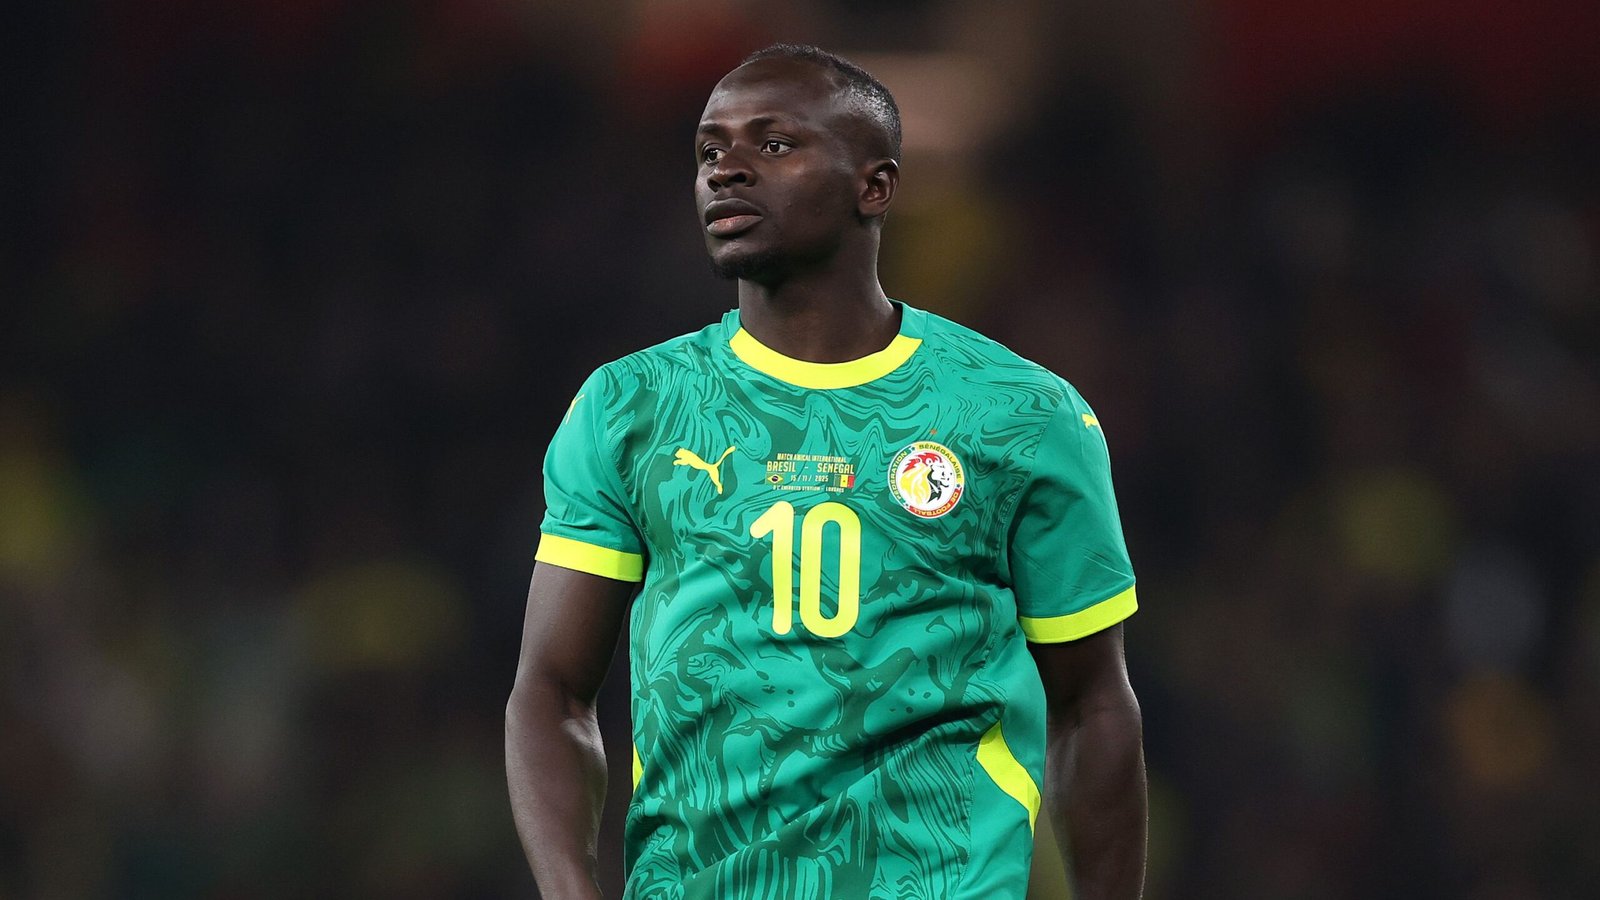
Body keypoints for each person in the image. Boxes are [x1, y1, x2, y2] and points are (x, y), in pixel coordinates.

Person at [506, 44, 1147, 899]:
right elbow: (549, 695)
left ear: (873, 186)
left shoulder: (1022, 415)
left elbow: (1092, 707)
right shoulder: (632, 406)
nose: (726, 171)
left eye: (773, 145)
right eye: (709, 150)